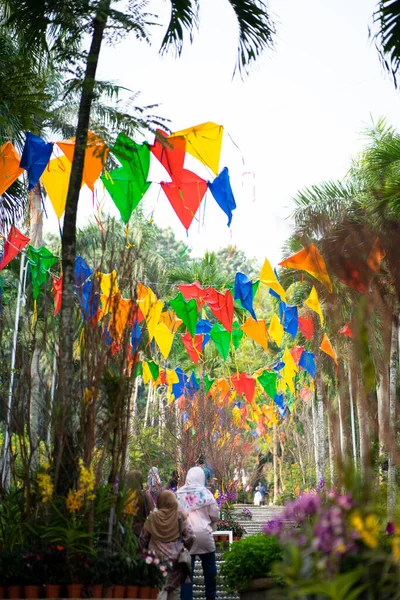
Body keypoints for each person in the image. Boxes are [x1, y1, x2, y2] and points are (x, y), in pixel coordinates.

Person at [140, 490, 195, 600]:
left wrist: (144, 551)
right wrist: (184, 547)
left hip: (156, 561)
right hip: (176, 562)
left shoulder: (153, 517)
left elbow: (143, 538)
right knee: (175, 591)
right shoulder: (180, 516)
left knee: (159, 590)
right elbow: (191, 536)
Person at [177, 467, 220, 600]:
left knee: (187, 572)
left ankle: (186, 597)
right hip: (204, 535)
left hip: (186, 536)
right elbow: (215, 515)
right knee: (209, 566)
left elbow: (176, 515)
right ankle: (211, 596)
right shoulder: (206, 494)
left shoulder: (178, 494)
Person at [126, 470, 154, 537]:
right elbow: (151, 514)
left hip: (124, 531)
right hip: (139, 532)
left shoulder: (124, 495)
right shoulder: (145, 496)